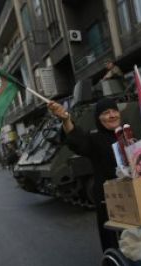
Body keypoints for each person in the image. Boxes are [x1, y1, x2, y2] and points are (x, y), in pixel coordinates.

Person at [47, 97, 121, 251]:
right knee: (114, 236)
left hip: (131, 192)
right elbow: (77, 139)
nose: (112, 115)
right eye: (106, 113)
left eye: (114, 111)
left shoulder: (127, 133)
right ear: (98, 118)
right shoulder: (94, 138)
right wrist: (66, 119)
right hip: (109, 197)